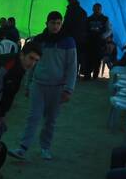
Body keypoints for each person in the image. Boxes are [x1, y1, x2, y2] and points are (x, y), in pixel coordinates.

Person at [9, 11, 77, 162]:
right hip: (38, 85)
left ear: (61, 24)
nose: (55, 26)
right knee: (33, 117)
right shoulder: (38, 41)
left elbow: (72, 67)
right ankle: (23, 148)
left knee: (51, 120)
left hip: (58, 88)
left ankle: (45, 148)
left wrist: (69, 89)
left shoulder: (68, 42)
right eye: (52, 23)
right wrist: (28, 84)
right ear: (46, 23)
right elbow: (31, 65)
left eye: (58, 23)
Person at [83, 3, 112, 80]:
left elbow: (109, 30)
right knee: (88, 58)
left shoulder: (105, 19)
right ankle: (87, 75)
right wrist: (86, 35)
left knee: (97, 59)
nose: (96, 10)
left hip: (99, 42)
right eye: (95, 9)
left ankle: (95, 75)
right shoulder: (89, 19)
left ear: (101, 9)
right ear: (92, 9)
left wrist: (103, 36)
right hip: (90, 41)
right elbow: (85, 29)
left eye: (98, 9)